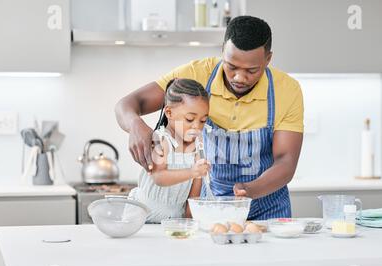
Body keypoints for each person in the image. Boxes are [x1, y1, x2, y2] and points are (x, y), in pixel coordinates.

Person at [116, 16, 304, 220]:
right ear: (222, 51)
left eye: (251, 70)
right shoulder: (198, 73)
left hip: (269, 207)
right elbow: (127, 104)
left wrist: (249, 190)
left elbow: (286, 161)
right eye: (231, 66)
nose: (239, 78)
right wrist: (135, 124)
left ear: (268, 59)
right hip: (211, 206)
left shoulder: (286, 90)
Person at [128, 78, 210, 223]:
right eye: (190, 119)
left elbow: (194, 195)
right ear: (169, 113)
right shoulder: (161, 140)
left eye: (203, 120)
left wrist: (190, 220)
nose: (197, 126)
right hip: (142, 216)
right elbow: (158, 177)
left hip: (174, 219)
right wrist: (192, 172)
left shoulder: (197, 147)